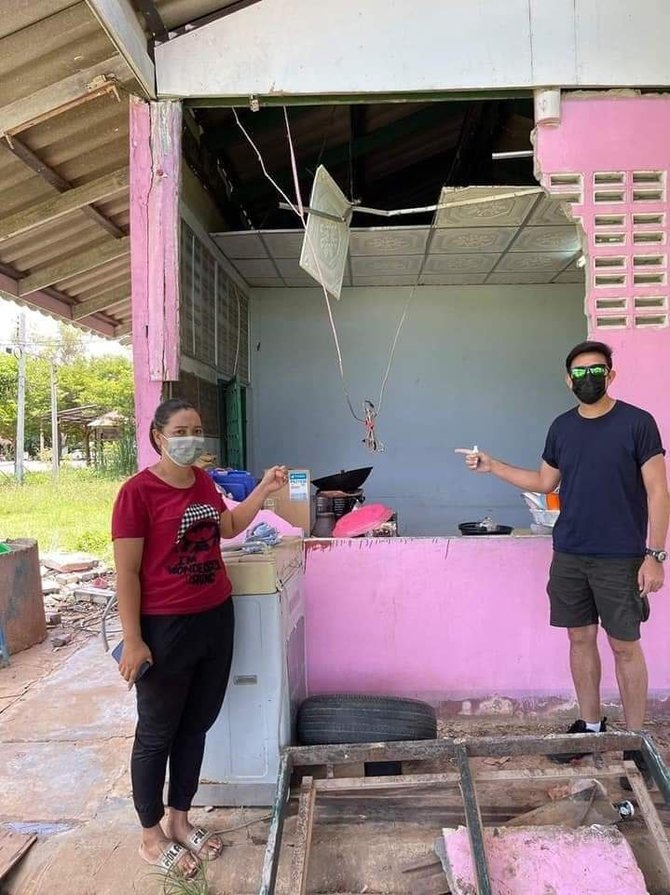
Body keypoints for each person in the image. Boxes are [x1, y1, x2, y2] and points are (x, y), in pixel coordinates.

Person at [457, 341, 669, 777]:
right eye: (579, 373)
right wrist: (493, 466)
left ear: (610, 375)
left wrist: (655, 554)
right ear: (567, 379)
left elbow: (658, 490)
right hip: (570, 552)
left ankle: (634, 742)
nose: (587, 380)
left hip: (621, 556)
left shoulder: (637, 424)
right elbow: (543, 480)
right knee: (579, 639)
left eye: (596, 372)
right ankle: (590, 728)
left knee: (625, 646)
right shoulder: (562, 427)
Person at [112, 398, 287, 877]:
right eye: (182, 430)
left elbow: (227, 526)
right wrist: (133, 639)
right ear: (158, 437)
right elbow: (126, 572)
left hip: (215, 617)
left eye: (198, 429)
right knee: (156, 733)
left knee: (196, 726)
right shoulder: (137, 493)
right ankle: (151, 835)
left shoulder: (204, 482)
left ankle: (180, 819)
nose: (192, 438)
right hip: (164, 627)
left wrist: (266, 490)